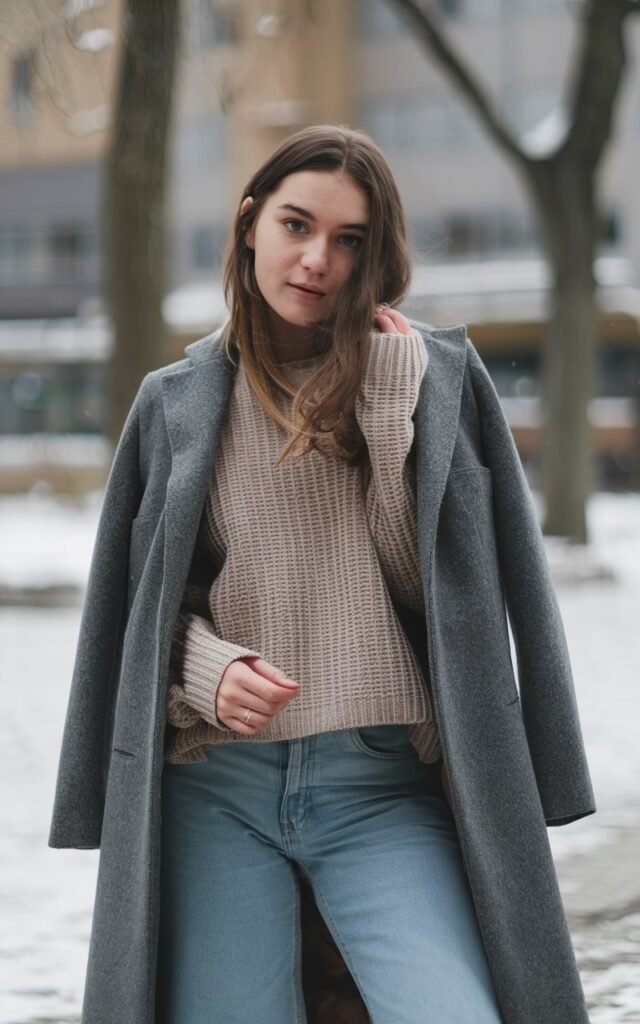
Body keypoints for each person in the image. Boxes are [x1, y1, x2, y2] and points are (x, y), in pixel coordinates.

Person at [49, 124, 596, 1024]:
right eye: (298, 225)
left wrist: (387, 411)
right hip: (216, 790)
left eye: (350, 240)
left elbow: (442, 597)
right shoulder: (176, 403)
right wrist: (206, 670)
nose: (317, 260)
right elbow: (139, 610)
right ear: (250, 221)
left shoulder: (433, 377)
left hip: (381, 786)